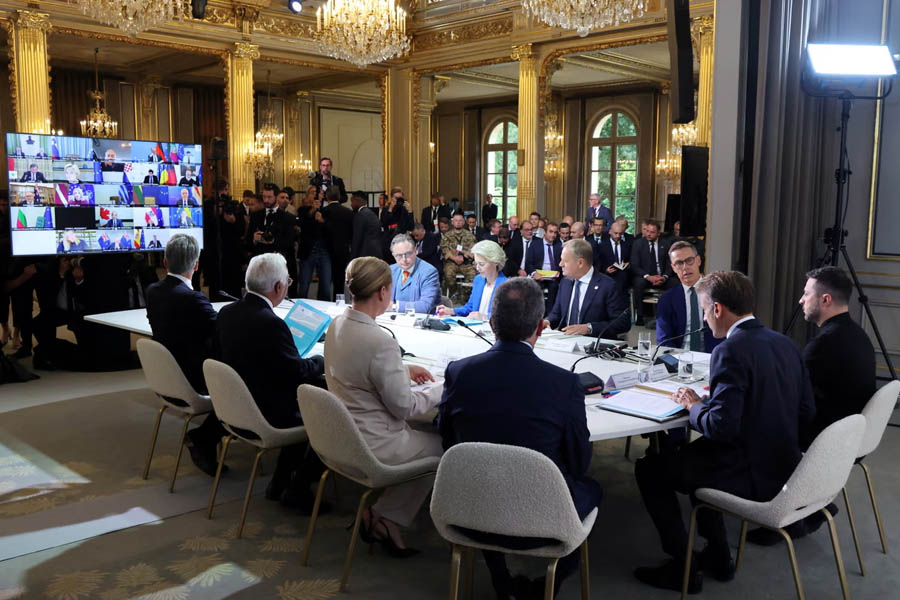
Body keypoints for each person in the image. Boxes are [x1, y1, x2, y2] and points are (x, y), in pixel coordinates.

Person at [633, 270, 815, 593]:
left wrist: (693, 406)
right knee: (694, 459)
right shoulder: (785, 343)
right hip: (784, 464)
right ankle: (718, 556)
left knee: (651, 468)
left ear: (718, 309)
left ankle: (683, 566)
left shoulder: (730, 350)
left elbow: (719, 428)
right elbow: (805, 411)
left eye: (704, 310)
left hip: (748, 471)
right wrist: (716, 400)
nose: (704, 319)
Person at [439, 277, 603, 600]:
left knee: (486, 478)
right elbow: (579, 462)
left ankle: (503, 583)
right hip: (546, 521)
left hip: (470, 510)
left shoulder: (459, 372)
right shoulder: (564, 384)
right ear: (541, 328)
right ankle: (547, 588)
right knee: (595, 489)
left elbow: (448, 442)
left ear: (490, 323)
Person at [746, 266, 876, 547]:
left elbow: (787, 394)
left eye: (806, 294)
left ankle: (783, 515)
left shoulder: (825, 344)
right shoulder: (857, 335)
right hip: (847, 435)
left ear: (825, 300)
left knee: (755, 422)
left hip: (824, 439)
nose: (801, 301)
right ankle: (815, 506)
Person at [325, 257, 443, 555]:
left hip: (343, 436)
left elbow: (357, 371)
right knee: (447, 446)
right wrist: (446, 387)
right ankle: (386, 516)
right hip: (377, 443)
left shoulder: (337, 323)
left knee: (421, 436)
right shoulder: (379, 341)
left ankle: (383, 515)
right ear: (382, 291)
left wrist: (402, 369)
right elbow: (406, 409)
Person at [216, 253, 327, 511]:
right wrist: (322, 359)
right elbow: (297, 372)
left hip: (236, 406)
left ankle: (280, 482)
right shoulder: (271, 323)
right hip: (268, 412)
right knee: (326, 412)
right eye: (287, 281)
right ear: (279, 287)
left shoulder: (227, 314)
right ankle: (297, 488)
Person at [145, 234, 226, 476]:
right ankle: (205, 437)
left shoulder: (152, 291)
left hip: (168, 377)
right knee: (249, 378)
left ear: (165, 262)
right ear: (196, 265)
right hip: (194, 379)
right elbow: (222, 333)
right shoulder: (193, 299)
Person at [544, 239, 630, 337]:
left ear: (580, 263)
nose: (560, 264)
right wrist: (548, 321)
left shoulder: (608, 285)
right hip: (565, 341)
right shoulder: (565, 282)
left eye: (565, 261)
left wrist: (589, 328)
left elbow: (623, 323)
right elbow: (556, 313)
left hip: (593, 342)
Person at [656, 241, 720, 352]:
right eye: (679, 263)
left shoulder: (718, 293)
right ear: (673, 268)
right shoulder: (666, 299)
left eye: (689, 261)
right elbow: (664, 340)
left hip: (712, 358)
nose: (685, 267)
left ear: (698, 261)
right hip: (679, 358)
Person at [249, 183, 300, 296]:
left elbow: (289, 242)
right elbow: (247, 241)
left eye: (269, 197)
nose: (266, 200)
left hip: (280, 264)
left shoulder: (288, 218)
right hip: (260, 264)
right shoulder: (256, 216)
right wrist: (254, 239)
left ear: (276, 197)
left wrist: (272, 241)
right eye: (264, 197)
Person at [436, 240, 507, 319]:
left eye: (482, 264)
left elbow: (508, 317)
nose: (477, 268)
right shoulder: (478, 280)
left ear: (496, 262)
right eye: (476, 264)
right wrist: (451, 311)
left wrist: (485, 317)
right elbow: (469, 308)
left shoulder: (506, 286)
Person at [630, 219, 675, 326]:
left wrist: (664, 277)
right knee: (638, 283)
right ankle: (640, 316)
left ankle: (670, 315)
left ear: (658, 233)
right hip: (645, 276)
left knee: (675, 283)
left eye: (652, 232)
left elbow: (671, 264)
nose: (648, 234)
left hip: (661, 276)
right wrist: (648, 277)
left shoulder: (666, 244)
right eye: (647, 231)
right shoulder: (638, 244)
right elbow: (634, 265)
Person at [388, 234, 441, 313]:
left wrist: (394, 306)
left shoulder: (429, 272)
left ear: (416, 250)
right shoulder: (391, 270)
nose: (404, 259)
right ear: (393, 255)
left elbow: (425, 306)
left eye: (408, 254)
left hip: (420, 322)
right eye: (399, 255)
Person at [297, 187, 331, 300]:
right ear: (307, 195)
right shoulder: (302, 209)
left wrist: (322, 220)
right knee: (304, 285)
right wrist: (313, 209)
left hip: (323, 250)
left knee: (325, 286)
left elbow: (329, 229)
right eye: (313, 193)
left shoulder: (325, 211)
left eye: (318, 193)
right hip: (308, 251)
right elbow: (302, 223)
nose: (316, 195)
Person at [322, 186, 353, 297]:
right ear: (339, 197)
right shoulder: (348, 212)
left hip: (326, 250)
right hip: (343, 250)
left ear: (327, 196)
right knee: (339, 280)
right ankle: (338, 301)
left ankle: (323, 304)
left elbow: (322, 232)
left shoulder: (324, 211)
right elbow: (351, 232)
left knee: (324, 281)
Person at [525, 221, 563, 311]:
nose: (553, 235)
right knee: (536, 288)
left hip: (554, 277)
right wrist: (534, 273)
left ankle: (550, 316)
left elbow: (562, 263)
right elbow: (528, 263)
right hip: (539, 275)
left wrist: (559, 274)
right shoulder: (535, 244)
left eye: (555, 232)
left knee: (554, 288)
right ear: (545, 232)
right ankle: (536, 313)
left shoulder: (559, 246)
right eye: (550, 232)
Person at [441, 214, 476, 301]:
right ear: (452, 222)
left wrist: (464, 255)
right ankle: (454, 293)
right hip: (451, 262)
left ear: (464, 222)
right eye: (456, 220)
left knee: (473, 275)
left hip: (466, 263)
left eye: (460, 220)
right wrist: (454, 258)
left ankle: (465, 296)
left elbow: (473, 249)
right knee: (448, 275)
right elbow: (444, 249)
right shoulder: (447, 236)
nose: (458, 222)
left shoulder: (470, 235)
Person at [595, 219, 632, 292]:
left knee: (622, 278)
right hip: (607, 274)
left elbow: (631, 260)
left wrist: (628, 264)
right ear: (610, 232)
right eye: (616, 233)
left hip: (622, 274)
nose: (618, 236)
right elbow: (597, 263)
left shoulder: (626, 245)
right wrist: (606, 270)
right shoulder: (601, 246)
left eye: (620, 234)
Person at [350, 190, 382, 260]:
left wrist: (352, 258)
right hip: (376, 252)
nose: (351, 204)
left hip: (365, 254)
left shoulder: (360, 215)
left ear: (357, 201)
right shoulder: (372, 213)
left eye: (352, 201)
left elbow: (357, 239)